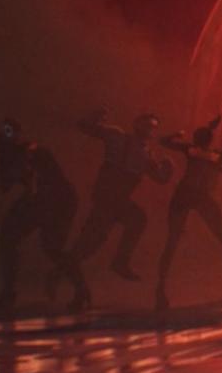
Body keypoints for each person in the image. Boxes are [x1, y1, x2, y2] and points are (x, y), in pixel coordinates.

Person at [61, 109, 173, 312]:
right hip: (106, 201)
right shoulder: (117, 136)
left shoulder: (147, 154)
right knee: (87, 246)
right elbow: (85, 127)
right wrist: (95, 117)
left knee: (137, 219)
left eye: (153, 127)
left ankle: (119, 261)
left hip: (119, 202)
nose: (149, 130)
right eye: (146, 125)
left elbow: (161, 179)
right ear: (136, 125)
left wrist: (168, 168)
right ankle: (75, 283)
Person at [155, 117, 222, 310]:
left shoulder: (196, 150)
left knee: (173, 242)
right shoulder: (208, 153)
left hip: (189, 196)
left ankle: (160, 290)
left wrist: (179, 134)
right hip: (194, 196)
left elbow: (164, 141)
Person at [0, 133, 84, 310]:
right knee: (12, 240)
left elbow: (32, 180)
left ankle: (81, 290)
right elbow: (7, 185)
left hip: (57, 200)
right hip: (46, 200)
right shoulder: (10, 157)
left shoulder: (32, 151)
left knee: (50, 247)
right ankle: (8, 292)